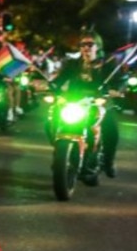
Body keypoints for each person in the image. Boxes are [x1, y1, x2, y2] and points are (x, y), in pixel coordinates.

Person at [50, 32, 120, 178]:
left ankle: (108, 162)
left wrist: (116, 90)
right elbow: (60, 79)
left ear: (98, 47)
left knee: (112, 131)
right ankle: (60, 153)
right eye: (83, 45)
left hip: (100, 102)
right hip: (74, 102)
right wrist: (50, 87)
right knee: (50, 122)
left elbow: (120, 80)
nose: (86, 48)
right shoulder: (72, 64)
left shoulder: (108, 64)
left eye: (90, 44)